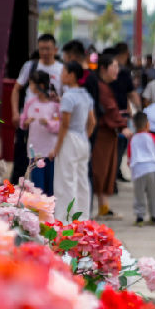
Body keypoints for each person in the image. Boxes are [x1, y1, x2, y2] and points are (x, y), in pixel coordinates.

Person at [10, 34, 63, 183]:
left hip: (51, 123)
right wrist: (16, 113)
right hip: (30, 120)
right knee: (22, 158)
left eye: (48, 49)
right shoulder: (30, 66)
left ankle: (46, 198)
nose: (45, 52)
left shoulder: (61, 69)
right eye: (41, 49)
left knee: (49, 164)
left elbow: (65, 95)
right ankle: (17, 193)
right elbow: (16, 89)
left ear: (55, 49)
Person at [51, 61, 95, 221]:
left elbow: (65, 124)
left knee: (66, 180)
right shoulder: (85, 95)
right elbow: (92, 122)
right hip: (83, 138)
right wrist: (84, 137)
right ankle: (83, 217)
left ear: (71, 75)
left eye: (64, 72)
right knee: (82, 179)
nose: (61, 75)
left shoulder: (69, 96)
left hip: (70, 138)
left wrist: (56, 148)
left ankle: (66, 219)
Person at [91, 54, 128, 219]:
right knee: (100, 170)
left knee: (106, 171)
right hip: (101, 134)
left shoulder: (105, 86)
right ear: (104, 68)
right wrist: (122, 126)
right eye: (114, 66)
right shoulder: (100, 87)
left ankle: (104, 207)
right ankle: (98, 207)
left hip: (107, 134)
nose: (117, 70)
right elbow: (110, 109)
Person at [20, 70, 60, 195]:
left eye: (32, 84)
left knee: (51, 185)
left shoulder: (55, 105)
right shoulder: (30, 103)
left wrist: (48, 123)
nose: (30, 87)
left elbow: (60, 126)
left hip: (51, 151)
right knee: (37, 186)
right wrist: (26, 122)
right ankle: (39, 211)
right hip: (35, 151)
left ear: (41, 86)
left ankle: (50, 212)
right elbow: (23, 122)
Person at [128, 111, 155, 226]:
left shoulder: (133, 139)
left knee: (139, 194)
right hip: (153, 169)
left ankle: (140, 217)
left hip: (138, 170)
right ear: (148, 124)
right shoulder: (152, 137)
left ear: (134, 125)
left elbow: (129, 157)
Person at [109, 43, 141, 183]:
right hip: (119, 116)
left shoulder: (106, 69)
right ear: (126, 53)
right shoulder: (124, 72)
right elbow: (131, 94)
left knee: (112, 147)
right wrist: (140, 112)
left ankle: (113, 175)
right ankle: (112, 178)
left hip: (109, 114)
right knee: (119, 147)